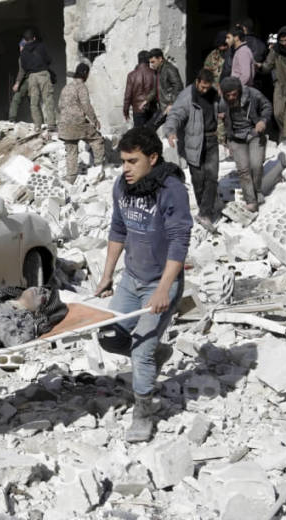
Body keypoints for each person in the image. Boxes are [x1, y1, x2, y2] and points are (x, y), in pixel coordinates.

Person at [95, 127, 192, 443]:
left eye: (132, 161)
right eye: (123, 161)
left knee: (140, 351)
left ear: (153, 158)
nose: (125, 168)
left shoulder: (171, 189)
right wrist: (107, 275)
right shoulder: (122, 186)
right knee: (109, 337)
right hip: (130, 279)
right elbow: (118, 229)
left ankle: (144, 413)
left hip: (159, 283)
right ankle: (155, 353)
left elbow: (179, 242)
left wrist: (164, 289)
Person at [165, 69, 220, 233]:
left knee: (212, 176)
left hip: (211, 139)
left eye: (207, 88)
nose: (204, 91)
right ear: (197, 82)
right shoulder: (187, 96)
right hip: (193, 142)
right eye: (202, 87)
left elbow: (222, 108)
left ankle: (205, 213)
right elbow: (175, 114)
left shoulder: (214, 93)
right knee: (198, 178)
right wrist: (170, 131)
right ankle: (205, 206)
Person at [218, 76, 272, 212]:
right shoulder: (221, 102)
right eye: (228, 95)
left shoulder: (253, 94)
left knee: (256, 165)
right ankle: (251, 201)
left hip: (254, 133)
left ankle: (257, 190)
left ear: (240, 91)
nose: (231, 98)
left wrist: (263, 121)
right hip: (235, 137)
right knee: (243, 170)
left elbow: (267, 106)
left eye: (234, 94)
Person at [59, 63, 104, 184]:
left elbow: (60, 105)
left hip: (64, 124)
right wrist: (94, 120)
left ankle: (71, 178)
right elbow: (86, 105)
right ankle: (99, 169)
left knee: (71, 150)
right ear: (85, 74)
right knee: (97, 139)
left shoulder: (66, 87)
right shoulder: (81, 87)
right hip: (77, 123)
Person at [20, 29, 57, 131]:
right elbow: (48, 60)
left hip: (32, 77)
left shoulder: (23, 52)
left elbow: (24, 66)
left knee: (34, 102)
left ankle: (37, 125)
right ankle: (51, 124)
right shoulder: (41, 46)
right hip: (43, 75)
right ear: (34, 38)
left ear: (25, 40)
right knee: (48, 99)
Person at [148, 48, 183, 129]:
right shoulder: (158, 71)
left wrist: (171, 104)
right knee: (150, 127)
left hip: (168, 106)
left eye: (153, 62)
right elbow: (156, 89)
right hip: (163, 105)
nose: (152, 65)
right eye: (150, 62)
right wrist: (147, 99)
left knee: (150, 127)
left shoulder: (169, 69)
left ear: (160, 59)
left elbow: (178, 87)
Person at [124, 50, 157, 127]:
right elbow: (158, 92)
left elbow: (127, 95)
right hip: (151, 108)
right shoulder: (154, 73)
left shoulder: (131, 75)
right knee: (150, 134)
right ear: (149, 60)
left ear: (138, 60)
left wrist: (126, 111)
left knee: (139, 134)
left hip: (137, 109)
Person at [9, 40, 30, 122]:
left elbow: (22, 71)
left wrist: (17, 84)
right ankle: (43, 122)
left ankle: (12, 119)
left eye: (21, 47)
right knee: (35, 103)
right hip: (34, 79)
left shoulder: (23, 57)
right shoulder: (35, 54)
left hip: (26, 80)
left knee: (15, 99)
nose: (20, 49)